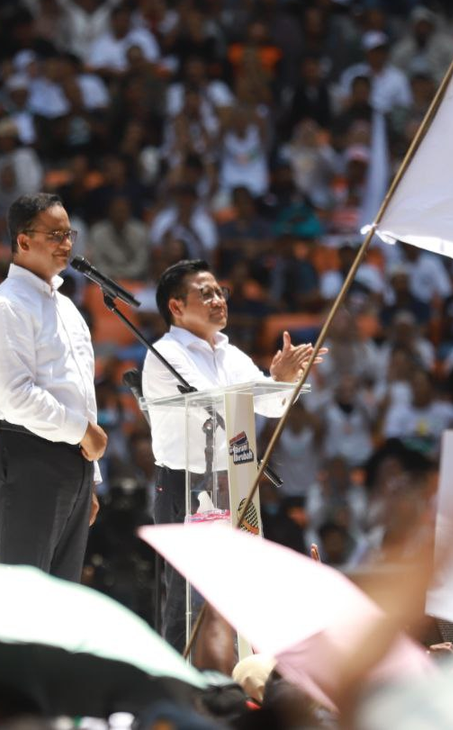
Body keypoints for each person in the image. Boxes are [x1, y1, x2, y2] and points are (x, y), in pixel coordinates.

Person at [142, 258, 323, 650]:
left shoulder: (229, 352)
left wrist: (283, 382)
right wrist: (271, 383)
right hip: (184, 486)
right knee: (187, 598)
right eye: (204, 293)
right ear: (175, 306)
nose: (218, 299)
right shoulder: (165, 353)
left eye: (219, 291)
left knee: (237, 592)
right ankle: (179, 682)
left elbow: (269, 406)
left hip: (233, 482)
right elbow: (212, 403)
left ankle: (236, 676)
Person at [0, 193, 105, 580]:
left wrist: (90, 476)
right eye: (55, 235)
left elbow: (80, 391)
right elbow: (14, 395)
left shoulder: (66, 306)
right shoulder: (6, 306)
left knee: (62, 595)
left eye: (69, 234)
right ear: (23, 241)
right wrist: (82, 431)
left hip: (73, 460)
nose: (66, 244)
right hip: (29, 452)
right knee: (26, 593)